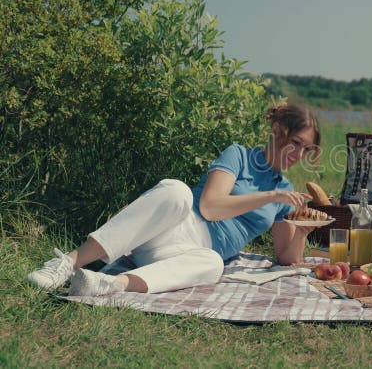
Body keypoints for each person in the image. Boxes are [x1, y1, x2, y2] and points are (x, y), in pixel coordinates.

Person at [26, 103, 321, 296]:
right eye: (296, 143)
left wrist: (303, 233)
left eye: (306, 150)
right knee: (176, 191)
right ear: (277, 132)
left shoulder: (285, 191)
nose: (298, 155)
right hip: (173, 224)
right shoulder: (239, 156)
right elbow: (210, 206)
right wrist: (269, 195)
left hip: (187, 252)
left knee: (213, 264)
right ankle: (67, 264)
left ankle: (107, 285)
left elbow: (287, 258)